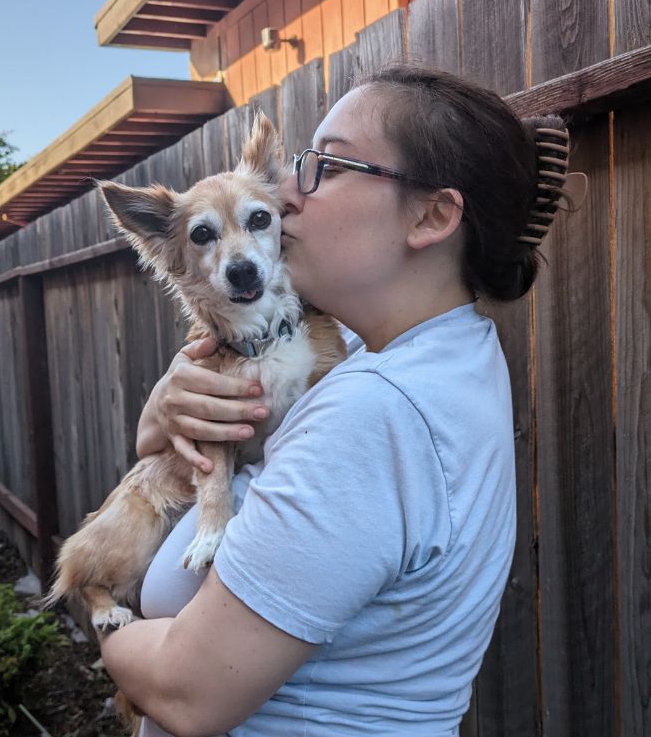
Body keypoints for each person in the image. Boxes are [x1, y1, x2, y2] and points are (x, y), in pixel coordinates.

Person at [100, 64, 573, 737]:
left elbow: (187, 693)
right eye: (300, 161)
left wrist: (110, 632)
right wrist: (162, 410)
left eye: (328, 166)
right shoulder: (434, 347)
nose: (287, 192)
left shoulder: (375, 416)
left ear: (434, 215)